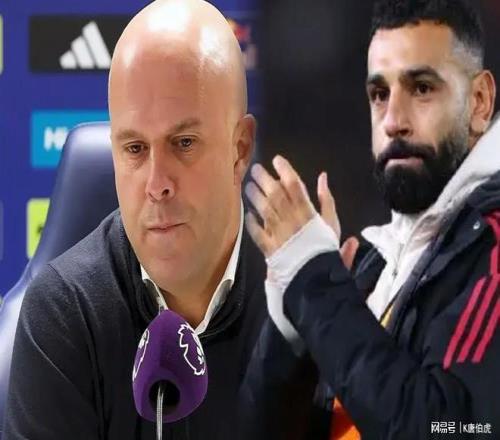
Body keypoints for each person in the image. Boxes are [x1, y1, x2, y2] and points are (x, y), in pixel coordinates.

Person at [3, 0, 265, 439]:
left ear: (239, 150)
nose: (157, 184)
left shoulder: (304, 296)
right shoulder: (63, 314)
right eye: (135, 149)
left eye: (183, 143)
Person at [241, 0, 500, 438]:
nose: (393, 121)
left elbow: (452, 429)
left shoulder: (491, 250)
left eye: (422, 88)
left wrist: (314, 283)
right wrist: (290, 326)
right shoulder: (370, 265)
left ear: (479, 102)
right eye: (380, 95)